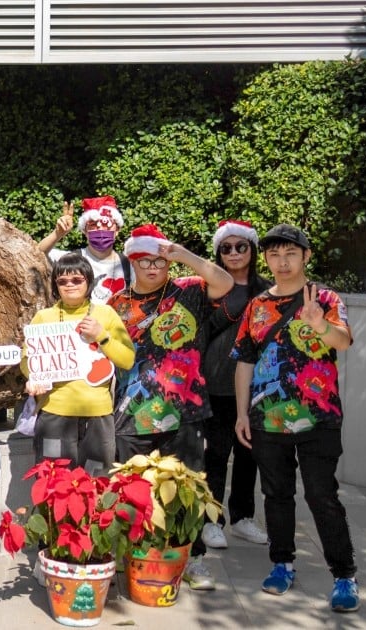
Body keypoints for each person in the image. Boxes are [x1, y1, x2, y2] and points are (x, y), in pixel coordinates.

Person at [231, 224, 359, 613]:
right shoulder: (256, 306)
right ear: (266, 259)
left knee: (322, 496)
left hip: (319, 417)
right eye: (274, 254)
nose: (282, 262)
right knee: (276, 495)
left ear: (306, 256)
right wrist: (241, 413)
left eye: (290, 253)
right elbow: (245, 362)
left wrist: (318, 322)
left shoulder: (325, 297)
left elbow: (343, 341)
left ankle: (344, 574)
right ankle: (282, 563)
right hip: (267, 419)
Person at [108, 223, 233, 592]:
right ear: (131, 261)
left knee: (187, 488)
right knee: (133, 489)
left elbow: (225, 284)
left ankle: (192, 559)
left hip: (185, 411)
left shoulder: (189, 292)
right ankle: (134, 553)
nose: (152, 268)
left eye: (158, 261)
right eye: (144, 261)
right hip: (131, 414)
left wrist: (183, 256)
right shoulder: (116, 305)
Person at [23, 253, 136, 472]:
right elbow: (27, 359)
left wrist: (101, 335)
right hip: (54, 413)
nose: (70, 285)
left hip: (98, 414)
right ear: (55, 286)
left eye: (77, 280)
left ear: (89, 281)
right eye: (62, 281)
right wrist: (32, 378)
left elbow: (127, 360)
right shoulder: (43, 317)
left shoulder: (106, 313)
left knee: (97, 480)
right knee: (53, 481)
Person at [199, 220, 271, 550]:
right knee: (215, 455)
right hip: (215, 383)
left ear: (252, 250)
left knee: (249, 455)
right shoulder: (209, 287)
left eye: (240, 246)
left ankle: (243, 517)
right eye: (225, 248)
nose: (233, 253)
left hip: (257, 386)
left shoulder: (268, 290)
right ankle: (210, 521)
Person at [37, 196, 134, 304]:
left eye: (106, 224)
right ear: (85, 231)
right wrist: (57, 234)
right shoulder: (72, 260)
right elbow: (37, 253)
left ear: (117, 230)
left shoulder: (130, 265)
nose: (100, 229)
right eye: (93, 225)